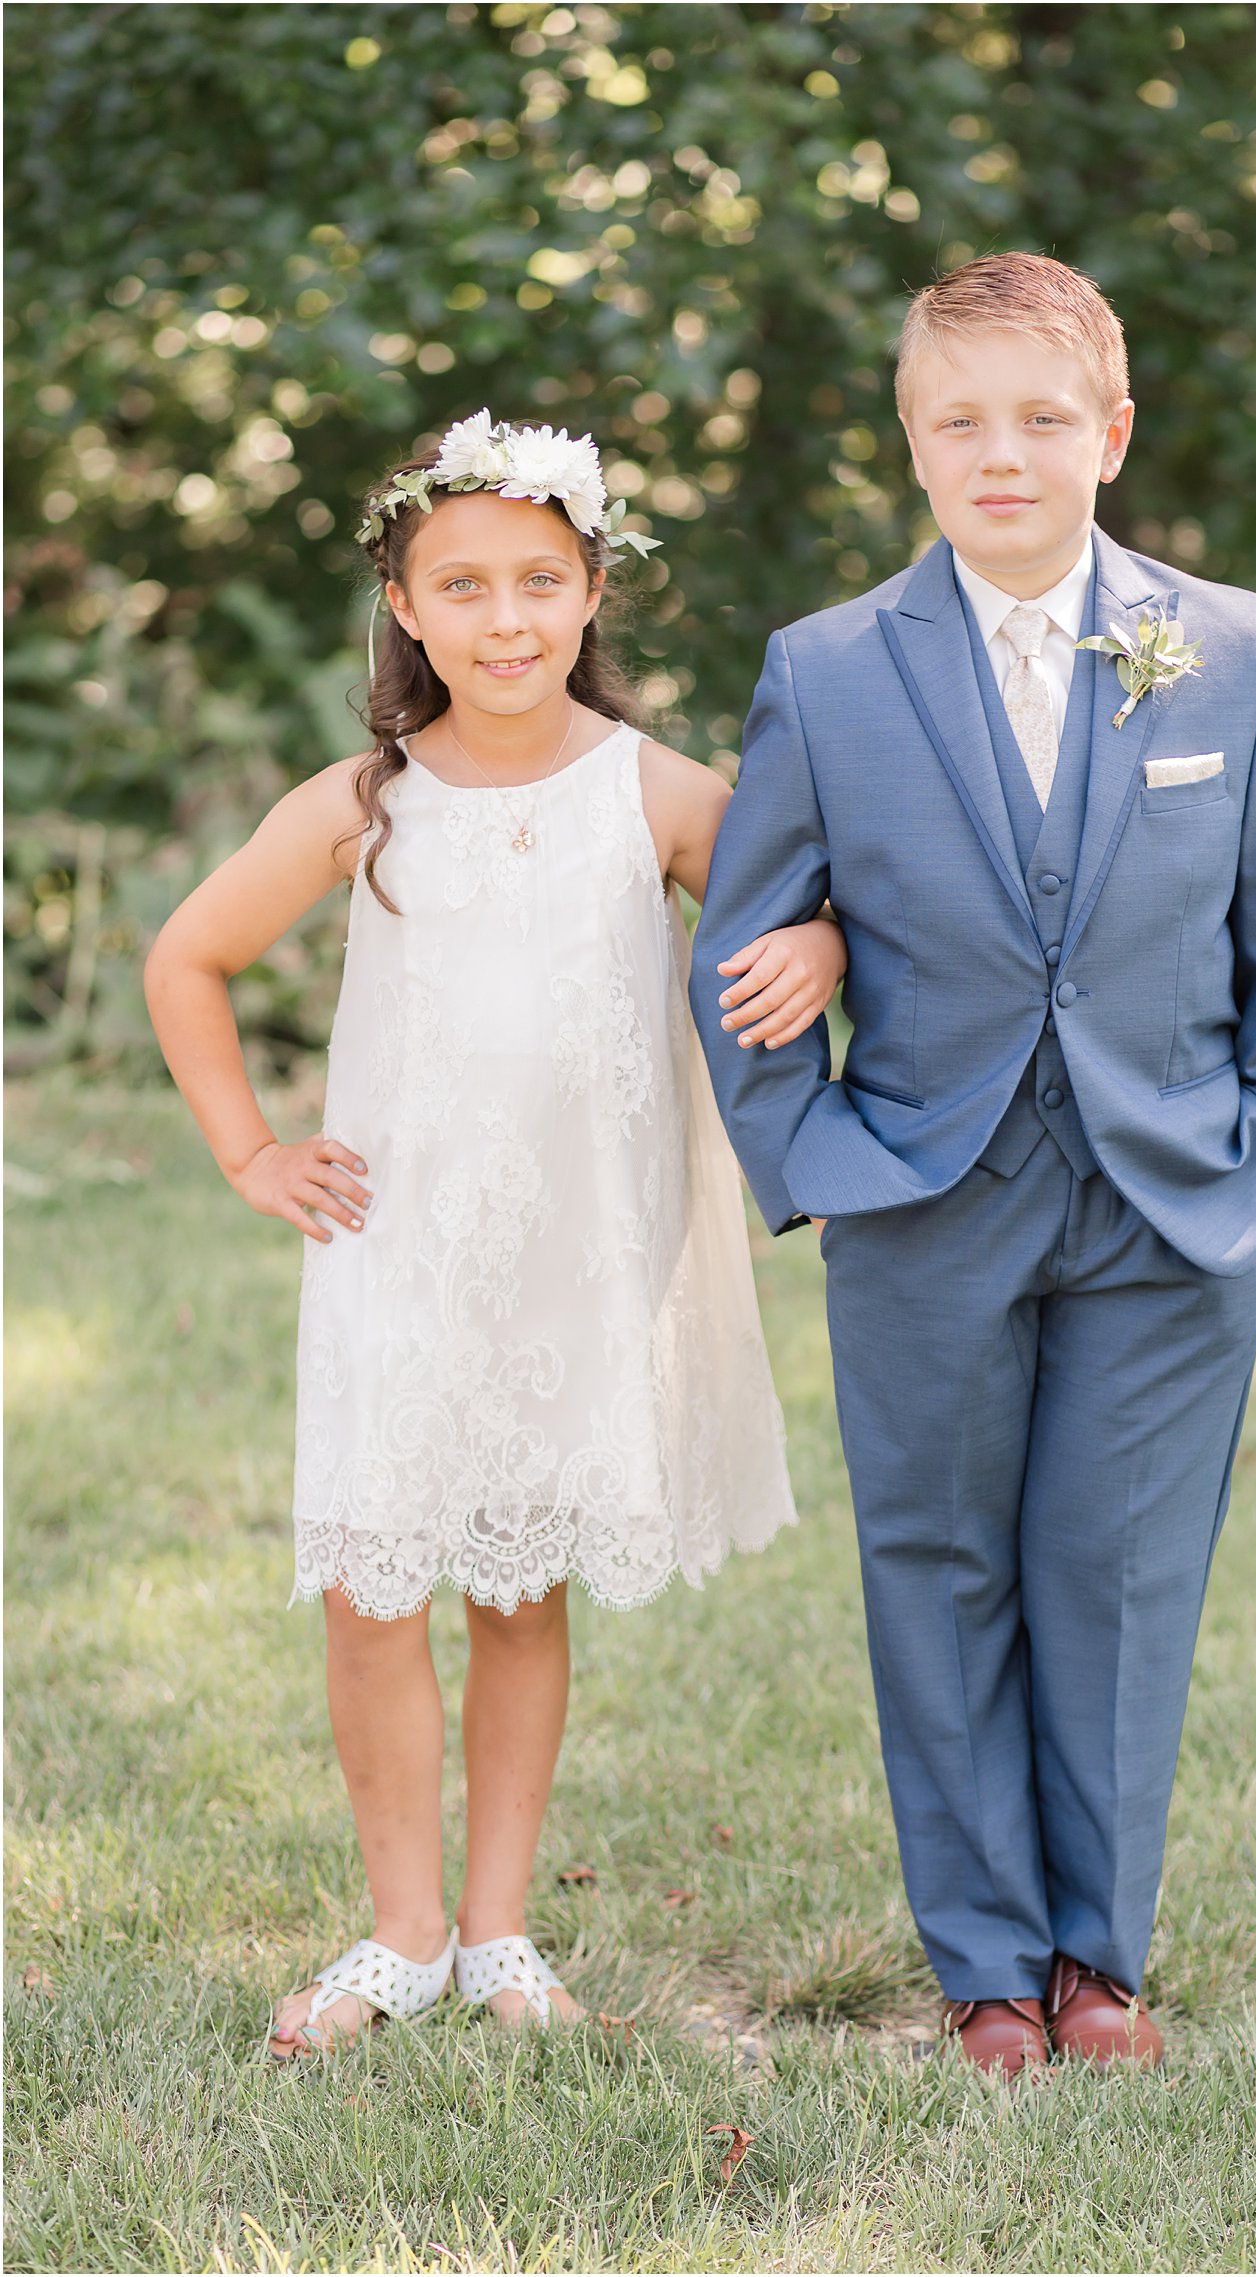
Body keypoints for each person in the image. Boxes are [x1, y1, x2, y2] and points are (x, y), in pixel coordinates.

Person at [692, 254, 1256, 2079]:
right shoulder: (826, 672)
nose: (1003, 454)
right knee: (941, 1564)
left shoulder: (1232, 646)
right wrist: (817, 1158)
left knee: (1117, 1569)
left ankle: (1099, 1961)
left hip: (1173, 1202)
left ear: (1111, 433)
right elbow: (743, 945)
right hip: (926, 1190)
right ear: (911, 441)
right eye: (960, 420)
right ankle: (984, 1965)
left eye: (1041, 418)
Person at [145, 412, 845, 2056]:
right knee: (373, 1586)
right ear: (403, 599)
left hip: (578, 1255)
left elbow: (821, 904)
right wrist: (250, 1150)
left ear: (595, 590)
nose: (507, 618)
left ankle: (498, 1929)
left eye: (541, 579)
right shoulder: (363, 801)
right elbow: (189, 957)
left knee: (522, 1587)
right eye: (463, 585)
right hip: (400, 1246)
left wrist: (812, 944)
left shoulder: (657, 794)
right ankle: (397, 1932)